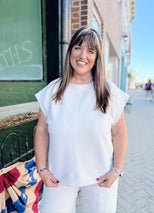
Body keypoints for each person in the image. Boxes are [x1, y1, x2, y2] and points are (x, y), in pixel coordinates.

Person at [34, 27, 129, 213]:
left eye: (91, 51)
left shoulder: (109, 93)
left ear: (97, 58)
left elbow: (120, 133)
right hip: (58, 174)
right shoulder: (53, 91)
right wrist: (42, 169)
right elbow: (41, 130)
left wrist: (117, 170)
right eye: (78, 47)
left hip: (101, 176)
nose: (83, 55)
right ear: (70, 51)